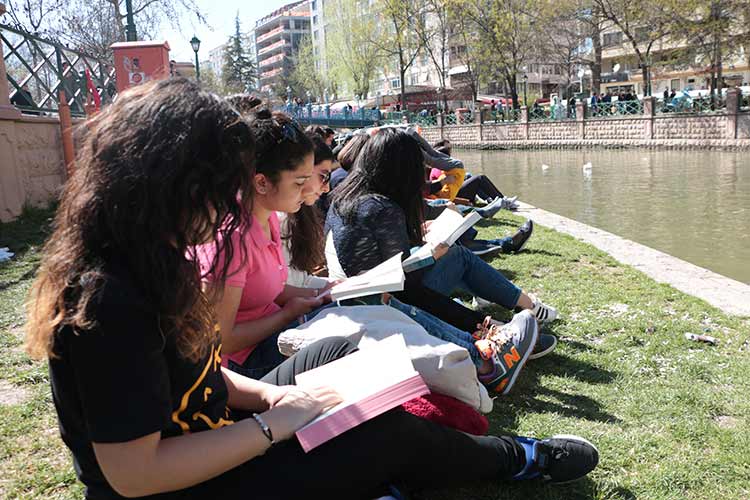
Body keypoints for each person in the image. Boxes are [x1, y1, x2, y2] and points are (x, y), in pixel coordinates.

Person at [25, 77, 598, 500]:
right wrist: (272, 425)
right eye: (222, 183)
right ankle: (517, 459)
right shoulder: (106, 299)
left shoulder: (155, 258)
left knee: (362, 406)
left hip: (218, 432)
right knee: (384, 437)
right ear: (171, 183)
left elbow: (195, 370)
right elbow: (134, 473)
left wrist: (270, 398)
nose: (232, 199)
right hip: (178, 484)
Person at [326, 128, 560, 328]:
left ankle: (507, 299)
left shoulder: (346, 196)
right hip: (383, 306)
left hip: (356, 300)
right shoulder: (381, 208)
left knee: (453, 254)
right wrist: (430, 254)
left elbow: (382, 262)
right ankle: (528, 305)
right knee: (458, 257)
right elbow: (404, 283)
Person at [198, 111, 333, 380]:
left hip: (276, 334)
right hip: (244, 364)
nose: (308, 191)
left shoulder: (268, 216)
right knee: (344, 346)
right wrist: (287, 314)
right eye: (299, 182)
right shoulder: (231, 238)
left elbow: (265, 288)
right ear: (261, 182)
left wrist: (321, 292)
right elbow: (220, 340)